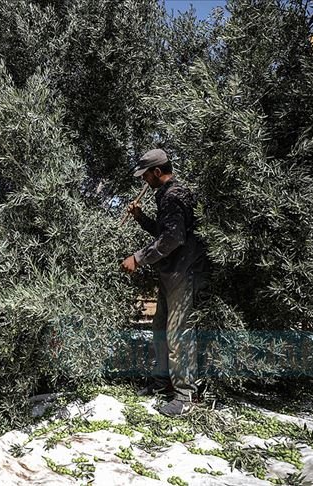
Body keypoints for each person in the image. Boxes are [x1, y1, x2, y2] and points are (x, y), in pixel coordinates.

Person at [121, 148, 206, 416]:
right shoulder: (167, 196)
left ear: (158, 172)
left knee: (177, 333)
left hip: (184, 272)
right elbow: (164, 231)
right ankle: (162, 383)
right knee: (160, 327)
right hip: (171, 273)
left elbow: (173, 239)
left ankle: (184, 396)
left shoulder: (174, 196)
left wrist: (138, 257)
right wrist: (141, 218)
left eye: (146, 175)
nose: (144, 181)